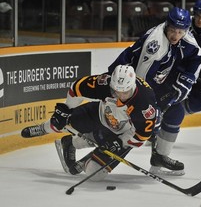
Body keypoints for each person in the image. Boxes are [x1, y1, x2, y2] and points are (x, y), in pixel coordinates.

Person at [108, 7, 201, 175]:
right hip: (124, 84)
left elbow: (199, 57)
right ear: (167, 25)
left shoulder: (185, 37)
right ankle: (89, 149)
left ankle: (159, 157)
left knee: (175, 112)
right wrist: (151, 109)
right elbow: (139, 81)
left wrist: (186, 81)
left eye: (180, 31)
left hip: (149, 82)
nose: (176, 35)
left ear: (187, 30)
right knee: (132, 124)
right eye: (173, 30)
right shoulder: (156, 44)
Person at [21, 65, 158, 181]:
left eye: (125, 92)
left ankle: (73, 145)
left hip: (123, 133)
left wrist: (120, 143)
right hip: (101, 114)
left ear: (132, 86)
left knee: (94, 173)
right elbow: (77, 88)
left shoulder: (144, 103)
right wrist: (67, 109)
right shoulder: (105, 83)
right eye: (116, 91)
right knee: (61, 122)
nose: (120, 96)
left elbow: (142, 135)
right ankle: (44, 128)